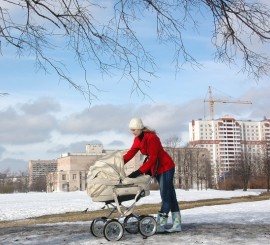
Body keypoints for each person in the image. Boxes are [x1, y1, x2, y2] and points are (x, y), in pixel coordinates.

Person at [123, 117, 181, 233]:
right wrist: (120, 163)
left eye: (134, 129)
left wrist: (140, 171)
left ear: (140, 128)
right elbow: (131, 153)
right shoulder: (137, 140)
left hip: (165, 167)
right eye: (131, 130)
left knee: (165, 195)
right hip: (157, 169)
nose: (132, 132)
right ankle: (177, 224)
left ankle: (161, 224)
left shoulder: (152, 138)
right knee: (171, 196)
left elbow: (153, 158)